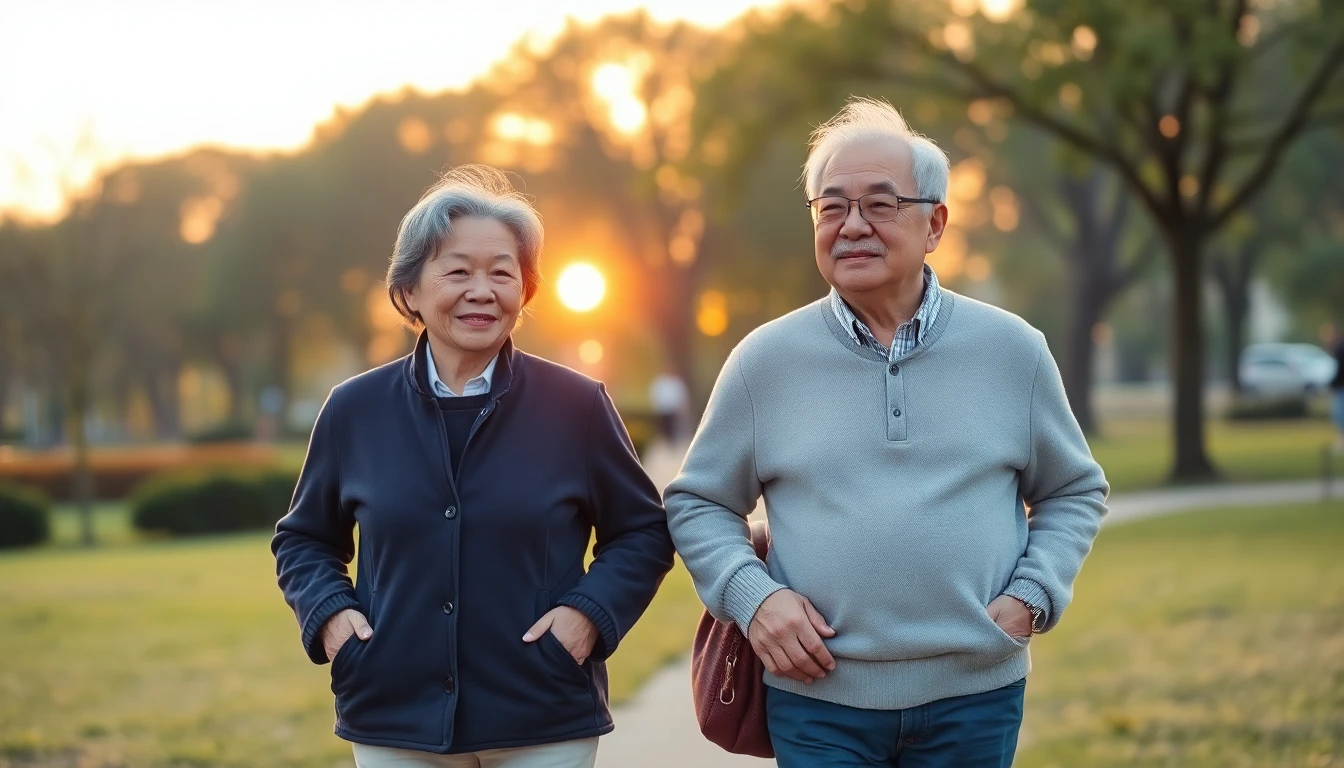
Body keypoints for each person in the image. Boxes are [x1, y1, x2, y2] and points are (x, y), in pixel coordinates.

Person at [664, 98, 1110, 767]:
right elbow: (698, 502)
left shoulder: (1012, 351)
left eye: (879, 204)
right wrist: (755, 601)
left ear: (934, 223)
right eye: (832, 206)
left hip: (975, 698)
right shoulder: (764, 362)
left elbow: (1075, 490)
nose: (852, 226)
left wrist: (1032, 595)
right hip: (817, 705)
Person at [272, 165, 675, 768]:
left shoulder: (577, 406)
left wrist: (587, 617)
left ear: (525, 291)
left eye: (501, 273)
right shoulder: (353, 411)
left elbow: (643, 532)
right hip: (393, 716)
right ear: (408, 291)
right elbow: (303, 539)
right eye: (457, 271)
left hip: (541, 714)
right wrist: (331, 618)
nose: (481, 290)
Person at [1329, 324, 1344, 449]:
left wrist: (1333, 383)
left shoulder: (1340, 348)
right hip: (1340, 385)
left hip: (1341, 386)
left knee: (1339, 415)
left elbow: (1340, 369)